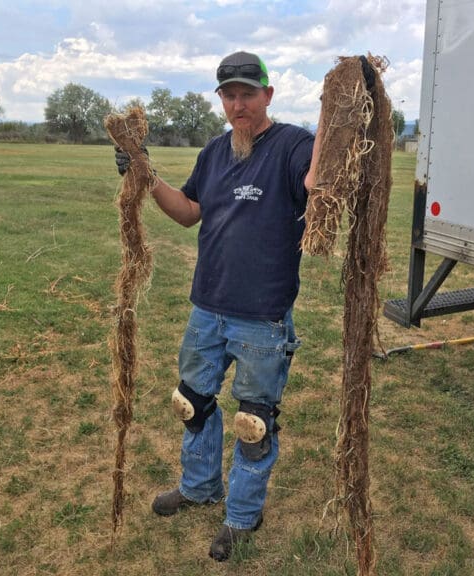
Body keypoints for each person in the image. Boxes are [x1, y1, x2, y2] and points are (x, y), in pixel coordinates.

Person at [115, 50, 321, 561]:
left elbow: (318, 187)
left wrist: (336, 126)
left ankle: (242, 517)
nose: (237, 105)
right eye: (229, 95)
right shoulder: (212, 152)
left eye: (247, 94)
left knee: (253, 421)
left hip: (263, 317)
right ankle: (199, 486)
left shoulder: (293, 145)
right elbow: (188, 212)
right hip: (208, 307)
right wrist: (145, 174)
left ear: (267, 94)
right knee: (193, 402)